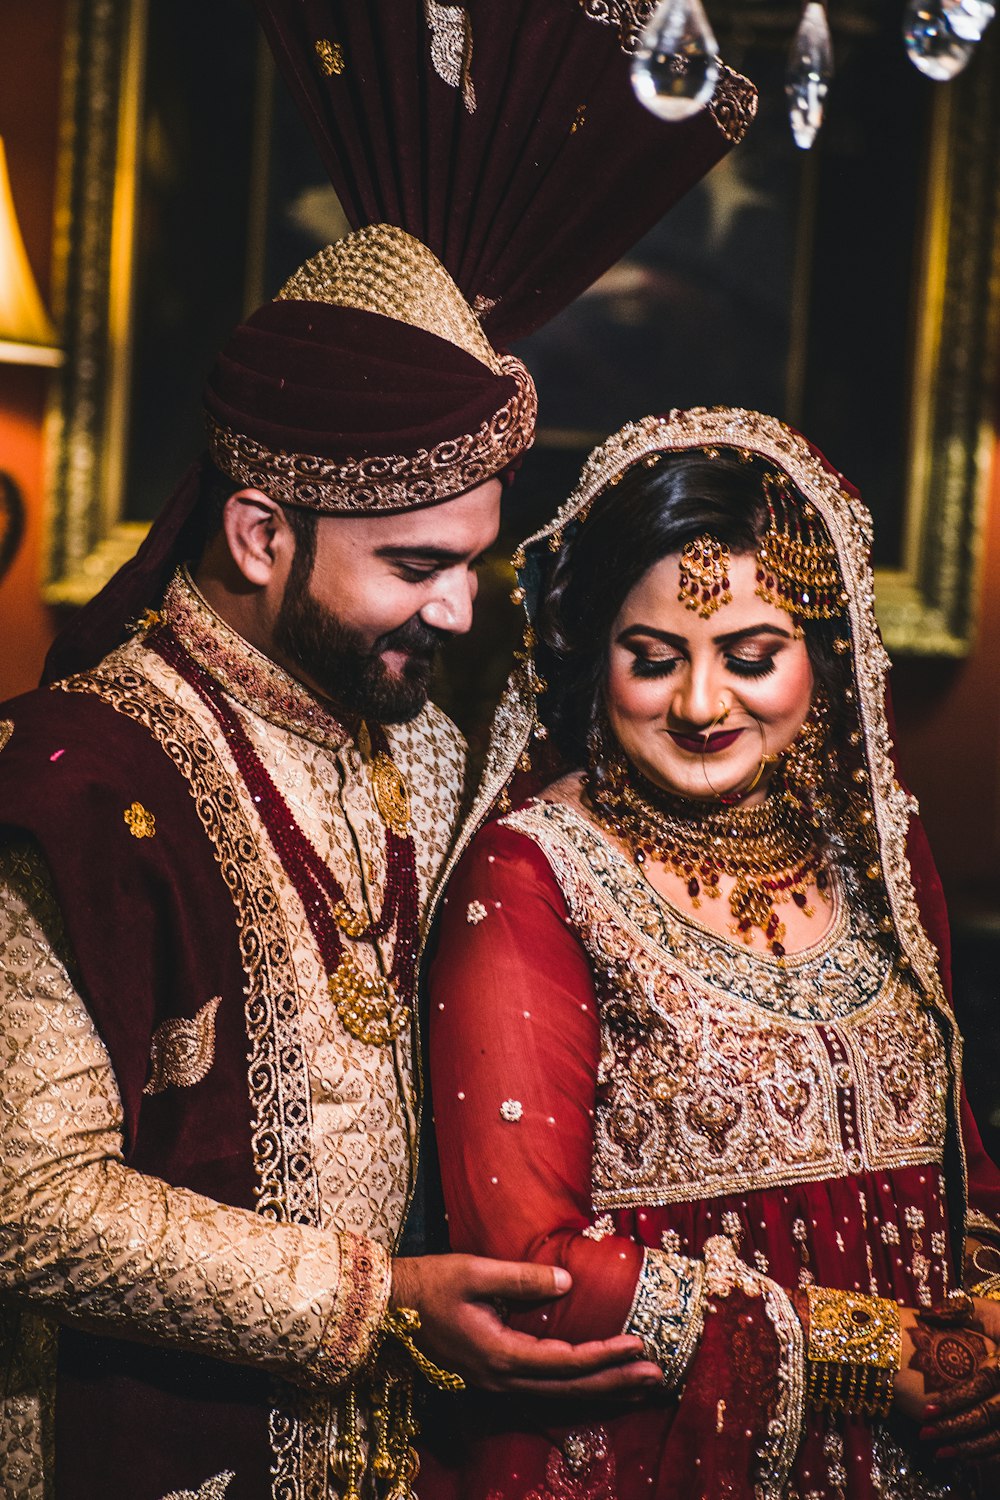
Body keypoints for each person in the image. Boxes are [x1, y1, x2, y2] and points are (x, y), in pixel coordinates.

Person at [0, 227, 665, 1500]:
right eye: (416, 567)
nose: (459, 610)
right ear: (259, 535)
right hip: (142, 1442)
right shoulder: (79, 788)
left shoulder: (404, 744)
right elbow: (28, 1201)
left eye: (473, 562)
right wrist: (381, 1301)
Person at [423, 407, 1000, 1498]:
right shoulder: (532, 873)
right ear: (592, 662)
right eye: (652, 659)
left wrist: (988, 1327)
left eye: (749, 656)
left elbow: (955, 1166)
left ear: (823, 660)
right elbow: (529, 1263)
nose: (699, 703)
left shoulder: (873, 849)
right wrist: (878, 1358)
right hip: (651, 1456)